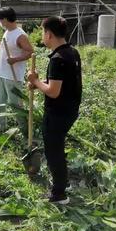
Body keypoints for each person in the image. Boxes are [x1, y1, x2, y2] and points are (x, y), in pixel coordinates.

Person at [28, 16, 82, 205]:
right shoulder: (72, 53)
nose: (43, 36)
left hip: (57, 113)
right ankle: (63, 182)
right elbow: (58, 85)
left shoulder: (57, 59)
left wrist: (35, 81)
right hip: (70, 110)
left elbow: (53, 91)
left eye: (43, 32)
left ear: (48, 34)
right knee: (57, 147)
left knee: (54, 151)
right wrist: (40, 84)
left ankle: (59, 195)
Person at [0, 6, 33, 131]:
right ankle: (1, 128)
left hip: (12, 76)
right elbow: (3, 46)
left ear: (5, 19)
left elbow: (30, 52)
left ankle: (24, 130)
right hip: (1, 73)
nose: (0, 23)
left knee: (16, 104)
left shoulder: (20, 35)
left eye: (0, 20)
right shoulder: (7, 32)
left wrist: (15, 60)